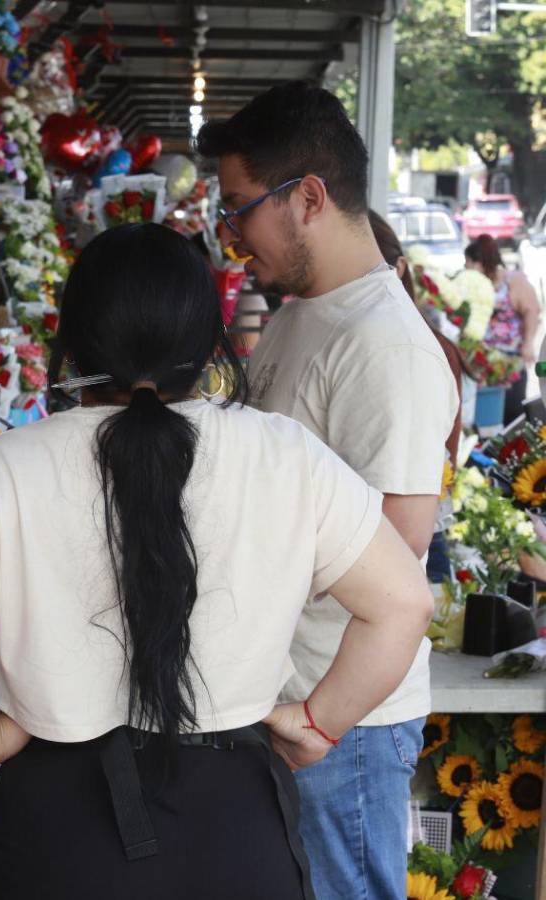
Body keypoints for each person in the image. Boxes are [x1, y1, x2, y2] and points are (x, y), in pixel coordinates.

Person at [0, 223, 434, 899]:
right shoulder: (285, 455)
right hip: (234, 827)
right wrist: (318, 724)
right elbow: (404, 604)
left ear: (75, 337)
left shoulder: (9, 465)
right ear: (207, 339)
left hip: (58, 832)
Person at [196, 82, 457, 900]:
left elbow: (397, 548)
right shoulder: (307, 310)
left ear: (308, 197)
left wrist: (320, 720)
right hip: (283, 699)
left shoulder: (386, 348)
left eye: (240, 208)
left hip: (338, 718)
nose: (232, 236)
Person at [370, 210, 463, 584]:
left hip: (414, 535)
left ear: (401, 268)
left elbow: (447, 454)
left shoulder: (427, 349)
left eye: (376, 269)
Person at [465, 233, 540, 423]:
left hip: (510, 362)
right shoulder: (475, 285)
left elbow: (532, 310)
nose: (466, 267)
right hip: (483, 363)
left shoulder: (512, 281)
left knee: (512, 413)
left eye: (468, 262)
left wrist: (528, 343)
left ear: (480, 263)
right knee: (486, 418)